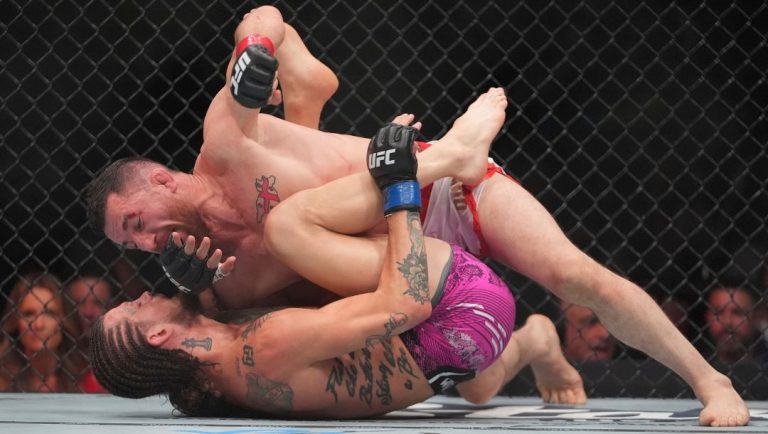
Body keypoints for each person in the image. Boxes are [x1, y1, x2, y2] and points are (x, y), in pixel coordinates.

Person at [84, 5, 748, 426]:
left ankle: (709, 381)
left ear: (161, 178)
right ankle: (534, 342)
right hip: (403, 269)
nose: (143, 245)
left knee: (577, 275)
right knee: (475, 386)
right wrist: (198, 289)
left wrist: (257, 51)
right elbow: (272, 334)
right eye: (131, 244)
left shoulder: (224, 143)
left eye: (135, 221)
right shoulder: (219, 280)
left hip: (436, 192)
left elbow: (264, 13)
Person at [90, 117, 585, 417]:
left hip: (459, 352)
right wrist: (400, 188)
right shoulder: (264, 345)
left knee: (479, 387)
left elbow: (227, 315)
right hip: (465, 302)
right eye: (134, 307)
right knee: (290, 225)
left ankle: (535, 340)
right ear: (156, 338)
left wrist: (202, 291)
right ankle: (446, 156)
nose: (143, 293)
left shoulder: (207, 384)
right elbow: (407, 303)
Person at [0, 274, 82, 392]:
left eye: (49, 313)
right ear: (15, 321)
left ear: (63, 320)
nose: (39, 324)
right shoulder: (3, 379)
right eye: (29, 314)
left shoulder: (85, 377)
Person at [64, 275, 113, 392]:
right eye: (80, 302)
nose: (88, 312)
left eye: (98, 303)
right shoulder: (57, 358)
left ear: (112, 307)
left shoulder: (122, 359)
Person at [704, 285, 758, 364]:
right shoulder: (694, 364)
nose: (727, 322)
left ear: (755, 317)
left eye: (737, 312)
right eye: (718, 312)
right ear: (707, 316)